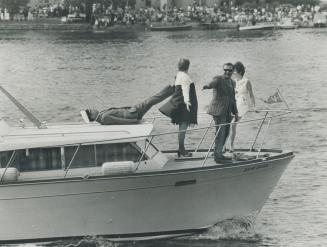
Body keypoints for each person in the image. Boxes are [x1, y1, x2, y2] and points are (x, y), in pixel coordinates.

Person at [159, 58, 198, 157]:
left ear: (178, 66)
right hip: (184, 105)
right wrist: (188, 103)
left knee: (182, 127)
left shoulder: (178, 75)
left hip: (181, 104)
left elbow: (176, 88)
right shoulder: (184, 76)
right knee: (183, 127)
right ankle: (181, 149)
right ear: (188, 66)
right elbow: (185, 90)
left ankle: (181, 148)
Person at [81, 85, 173, 125]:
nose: (93, 108)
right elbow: (120, 121)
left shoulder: (101, 116)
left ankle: (171, 89)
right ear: (92, 116)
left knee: (152, 101)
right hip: (133, 114)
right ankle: (172, 89)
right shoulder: (104, 118)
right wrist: (136, 122)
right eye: (91, 110)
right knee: (151, 100)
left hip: (132, 112)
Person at [202, 63, 238, 163]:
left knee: (226, 133)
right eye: (225, 70)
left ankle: (219, 153)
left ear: (232, 72)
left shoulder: (232, 82)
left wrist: (236, 112)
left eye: (229, 70)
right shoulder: (218, 79)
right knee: (220, 133)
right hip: (218, 111)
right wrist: (207, 86)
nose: (227, 72)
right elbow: (211, 84)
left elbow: (233, 99)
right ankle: (217, 157)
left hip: (227, 112)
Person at [229, 61, 255, 152]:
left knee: (232, 123)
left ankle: (231, 146)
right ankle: (224, 146)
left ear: (239, 72)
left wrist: (253, 107)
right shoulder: (234, 81)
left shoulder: (246, 81)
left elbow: (251, 95)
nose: (233, 73)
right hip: (235, 103)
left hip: (243, 104)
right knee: (227, 124)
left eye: (234, 71)